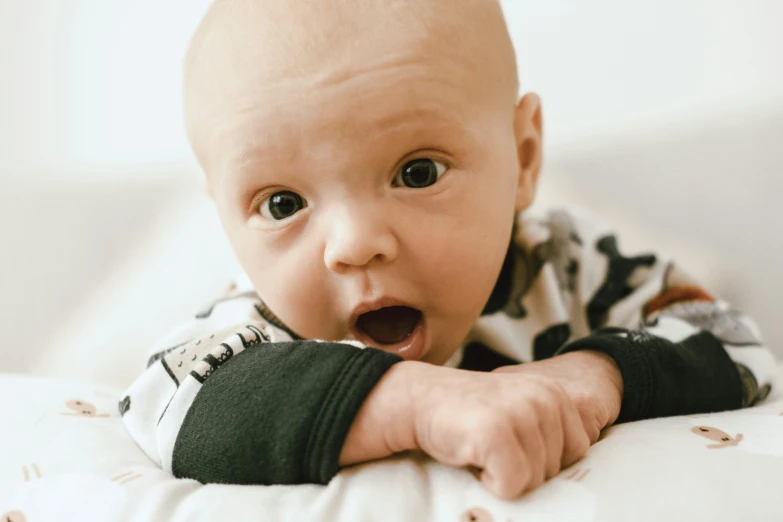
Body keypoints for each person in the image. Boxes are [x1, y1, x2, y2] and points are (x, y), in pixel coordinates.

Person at [119, 0, 776, 500]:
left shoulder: (566, 267)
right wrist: (419, 401)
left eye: (417, 173)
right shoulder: (256, 333)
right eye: (282, 204)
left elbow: (733, 342)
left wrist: (592, 378)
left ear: (521, 159)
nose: (354, 246)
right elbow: (163, 405)